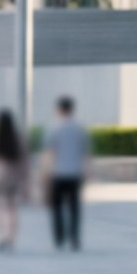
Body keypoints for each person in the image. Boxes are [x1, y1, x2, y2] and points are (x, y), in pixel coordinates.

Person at [44, 95, 91, 251]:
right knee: (74, 207)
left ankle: (59, 237)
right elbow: (85, 154)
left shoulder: (55, 128)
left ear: (59, 109)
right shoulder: (80, 129)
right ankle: (74, 237)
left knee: (56, 207)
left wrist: (46, 172)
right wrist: (86, 171)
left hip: (58, 173)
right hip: (75, 173)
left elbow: (50, 153)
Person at [0, 108, 28, 252]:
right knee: (11, 208)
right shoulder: (17, 138)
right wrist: (24, 179)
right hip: (12, 177)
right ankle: (10, 237)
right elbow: (24, 160)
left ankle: (1, 236)